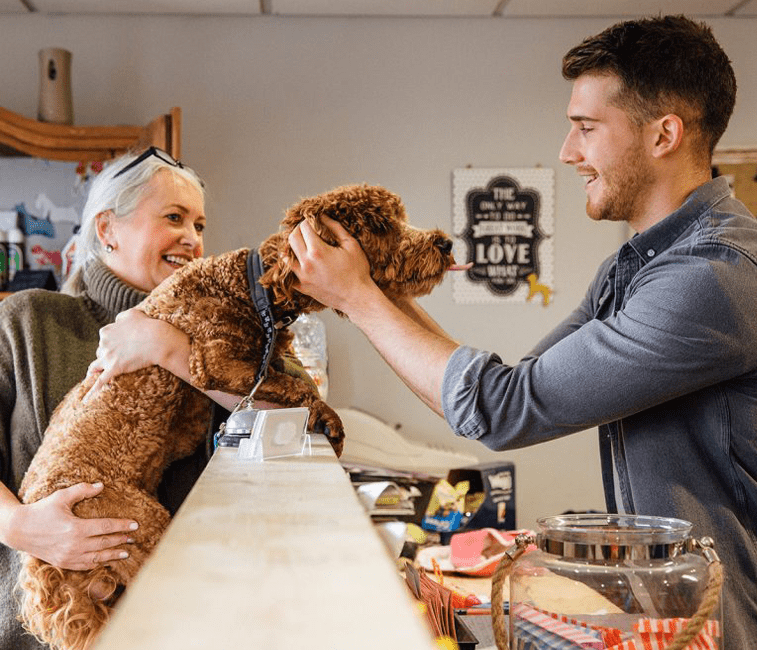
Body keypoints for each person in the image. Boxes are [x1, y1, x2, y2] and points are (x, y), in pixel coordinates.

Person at [287, 15, 756, 649]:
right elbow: (506, 390)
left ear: (663, 134)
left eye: (587, 128)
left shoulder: (713, 277)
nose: (568, 150)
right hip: (671, 612)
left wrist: (361, 297)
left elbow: (503, 409)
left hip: (729, 623)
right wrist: (378, 290)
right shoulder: (636, 266)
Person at [0, 147, 213, 649]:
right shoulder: (29, 322)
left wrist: (171, 347)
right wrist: (22, 527)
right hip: (40, 632)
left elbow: (297, 415)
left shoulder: (208, 342)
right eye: (174, 217)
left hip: (180, 626)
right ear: (107, 230)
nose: (193, 238)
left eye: (201, 225)